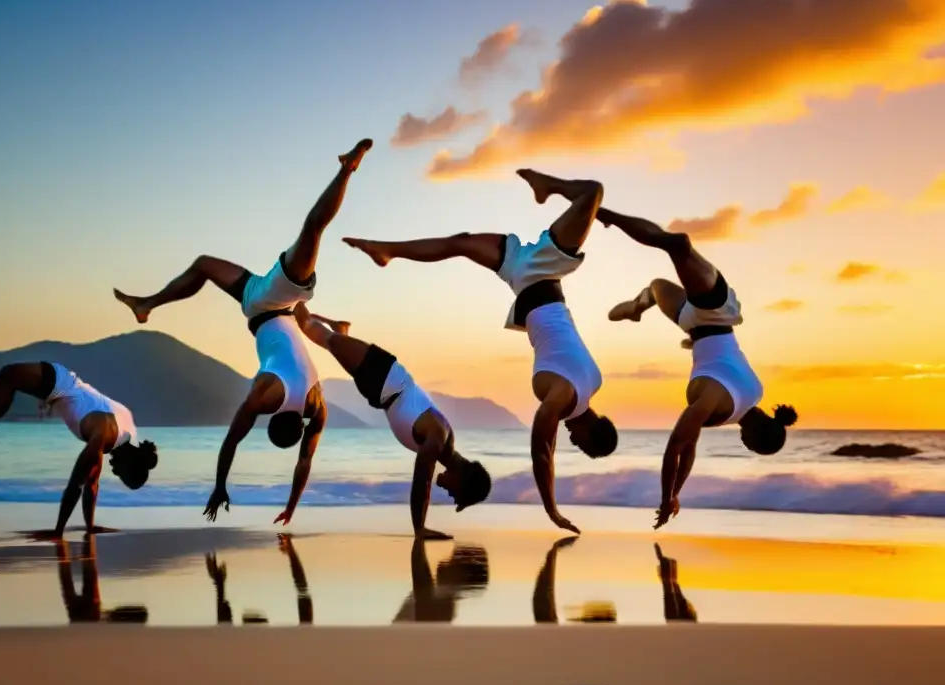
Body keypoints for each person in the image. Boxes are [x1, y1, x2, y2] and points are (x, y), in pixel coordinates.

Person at [111, 139, 373, 524]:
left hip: (271, 300)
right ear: (273, 418)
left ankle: (347, 168)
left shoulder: (317, 406)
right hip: (267, 302)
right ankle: (145, 305)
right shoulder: (264, 396)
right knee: (211, 262)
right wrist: (220, 485)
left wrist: (292, 505)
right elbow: (231, 442)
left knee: (312, 230)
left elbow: (305, 460)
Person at [344, 169, 618, 535]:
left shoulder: (592, 382)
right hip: (542, 270)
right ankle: (549, 186)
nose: (573, 441)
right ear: (592, 431)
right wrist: (551, 509)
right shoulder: (563, 398)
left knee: (459, 242)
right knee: (593, 191)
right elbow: (542, 451)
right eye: (582, 445)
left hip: (528, 277)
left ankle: (388, 251)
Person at [598, 205, 798, 529]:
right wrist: (667, 498)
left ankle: (639, 305)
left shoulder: (755, 391)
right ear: (748, 439)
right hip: (711, 311)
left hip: (701, 320)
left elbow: (687, 446)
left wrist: (676, 493)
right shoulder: (715, 410)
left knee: (660, 281)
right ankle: (610, 218)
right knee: (677, 246)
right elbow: (677, 447)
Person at [292, 302, 491, 538]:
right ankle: (294, 294)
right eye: (456, 495)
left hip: (381, 391)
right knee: (311, 328)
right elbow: (421, 481)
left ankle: (340, 330)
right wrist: (420, 529)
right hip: (383, 374)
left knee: (332, 342)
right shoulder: (438, 438)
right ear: (463, 479)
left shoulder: (441, 446)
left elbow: (425, 480)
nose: (449, 495)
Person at [0, 362, 157, 538]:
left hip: (66, 386)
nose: (114, 472)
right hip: (63, 384)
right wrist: (58, 531)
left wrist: (90, 527)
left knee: (9, 377)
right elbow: (77, 484)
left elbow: (92, 483)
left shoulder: (128, 429)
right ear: (130, 462)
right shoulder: (103, 437)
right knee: (9, 375)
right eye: (121, 474)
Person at [393, 539, 489, 623]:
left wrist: (419, 539)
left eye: (452, 559)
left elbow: (419, 572)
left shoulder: (442, 600)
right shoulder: (443, 600)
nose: (442, 562)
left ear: (460, 574)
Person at [56, 536, 148, 623]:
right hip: (81, 617)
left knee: (88, 566)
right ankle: (61, 539)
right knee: (68, 571)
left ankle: (86, 533)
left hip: (90, 614)